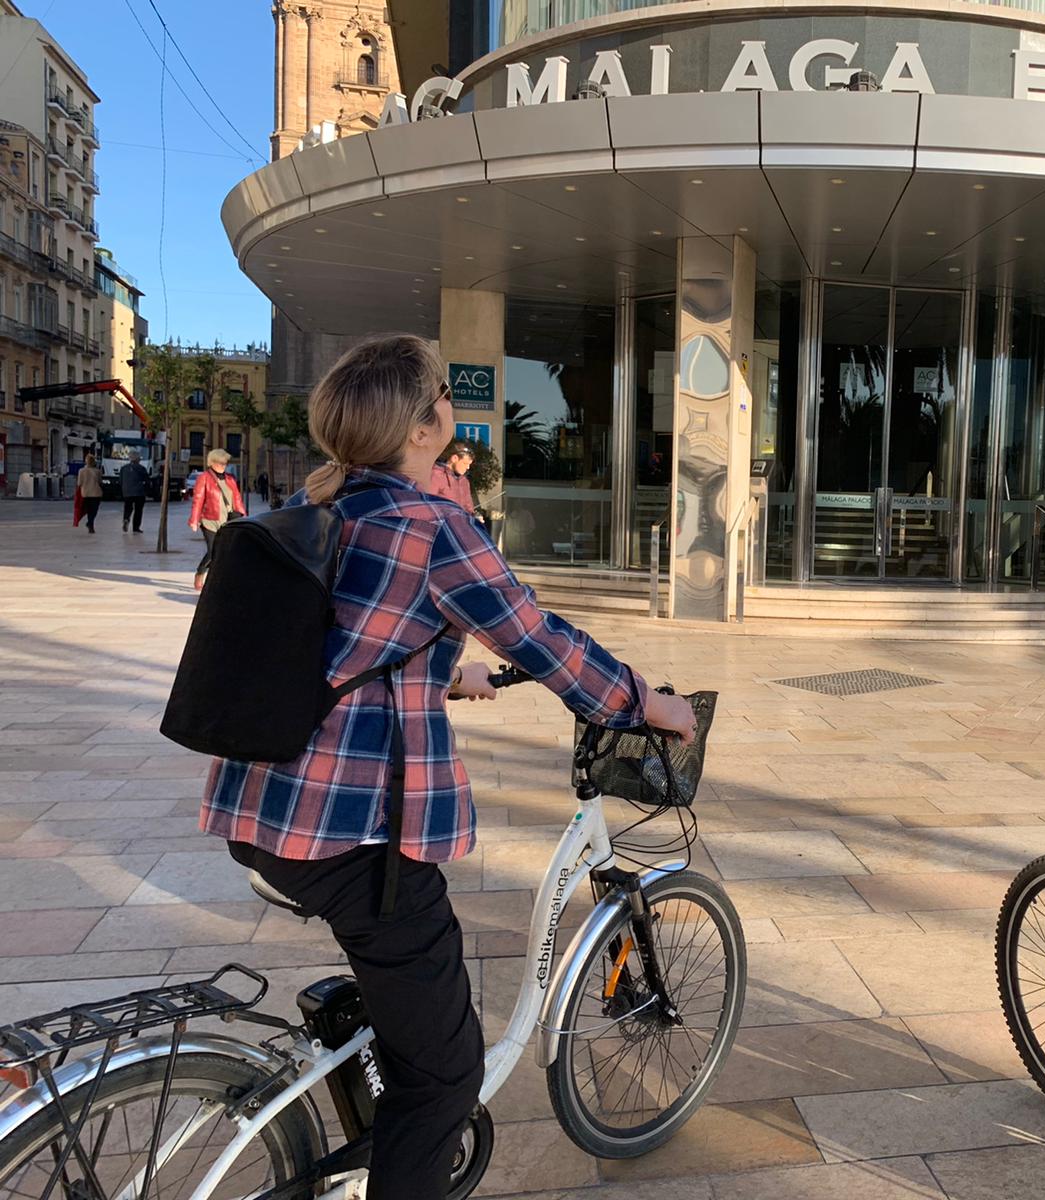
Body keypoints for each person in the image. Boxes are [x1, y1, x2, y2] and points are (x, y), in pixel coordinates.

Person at [201, 334, 695, 1200]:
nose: (451, 412)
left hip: (259, 807)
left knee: (407, 1002)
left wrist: (446, 673)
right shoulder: (432, 526)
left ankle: (364, 1089)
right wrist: (650, 702)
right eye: (442, 400)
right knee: (444, 1078)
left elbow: (348, 635)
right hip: (350, 835)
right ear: (423, 426)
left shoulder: (324, 503)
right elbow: (541, 640)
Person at [188, 449, 247, 591]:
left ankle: (220, 579)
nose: (223, 465)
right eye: (221, 462)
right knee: (213, 551)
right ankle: (201, 573)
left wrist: (243, 515)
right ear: (212, 462)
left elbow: (237, 498)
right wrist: (194, 520)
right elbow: (198, 499)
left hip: (227, 520)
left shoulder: (230, 479)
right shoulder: (204, 478)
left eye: (225, 463)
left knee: (224, 551)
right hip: (210, 519)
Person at [429, 440, 476, 513]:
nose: (468, 467)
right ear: (454, 458)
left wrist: (474, 518)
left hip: (460, 522)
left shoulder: (464, 481)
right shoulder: (436, 475)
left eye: (469, 464)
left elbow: (469, 508)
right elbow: (428, 504)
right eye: (465, 463)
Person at [120, 451, 149, 533]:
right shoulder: (141, 468)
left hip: (127, 492)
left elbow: (120, 481)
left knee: (127, 508)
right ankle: (136, 527)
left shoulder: (123, 468)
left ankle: (126, 519)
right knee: (138, 510)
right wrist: (147, 490)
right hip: (139, 492)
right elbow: (147, 480)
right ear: (137, 459)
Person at [75, 456, 103, 534]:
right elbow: (100, 481)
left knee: (88, 510)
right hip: (96, 493)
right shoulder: (98, 471)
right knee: (94, 511)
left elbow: (79, 483)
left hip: (85, 493)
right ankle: (90, 524)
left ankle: (90, 524)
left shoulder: (81, 471)